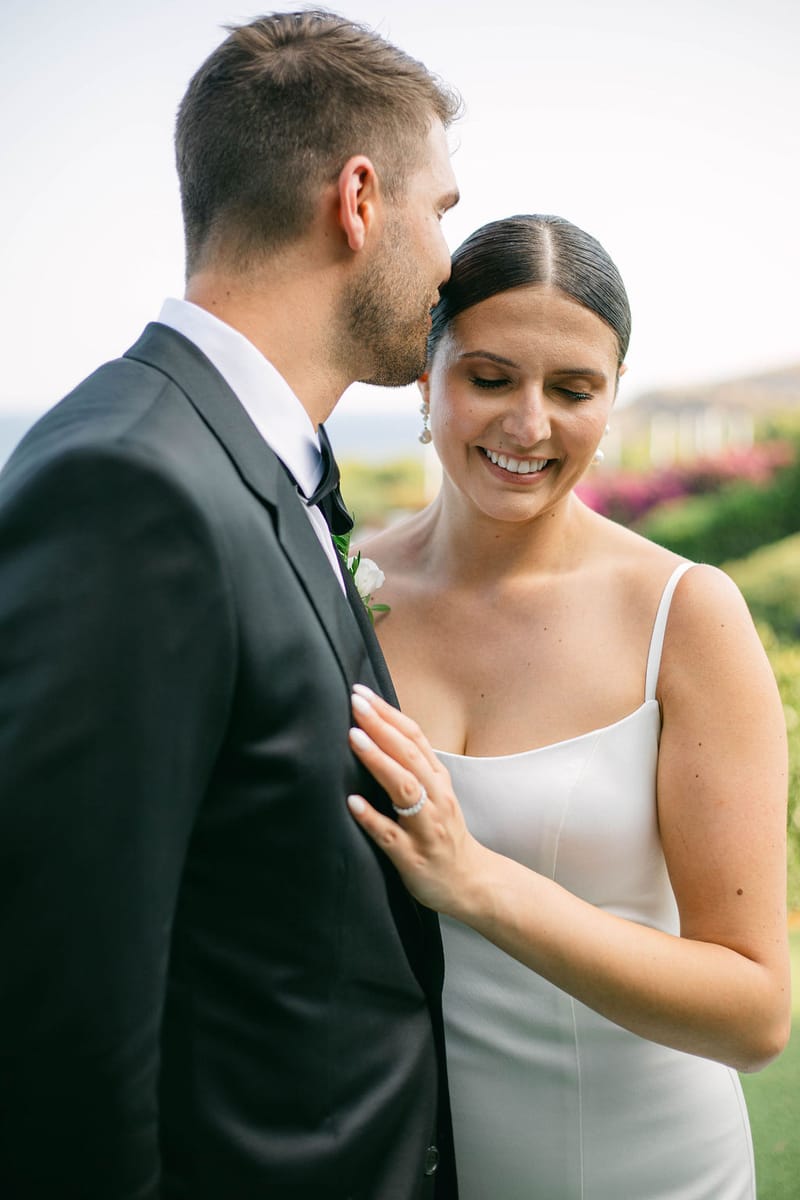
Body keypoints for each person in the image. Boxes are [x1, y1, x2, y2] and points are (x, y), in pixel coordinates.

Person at [0, 12, 461, 1198]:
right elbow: (61, 1004)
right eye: (441, 212)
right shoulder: (129, 486)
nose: (449, 264)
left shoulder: (251, 453)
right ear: (360, 201)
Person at [345, 214, 791, 1200]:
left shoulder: (683, 614)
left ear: (611, 400)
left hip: (647, 1169)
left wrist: (476, 882)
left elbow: (754, 1013)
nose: (528, 424)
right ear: (426, 381)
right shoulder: (345, 589)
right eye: (490, 378)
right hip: (418, 1166)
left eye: (572, 390)